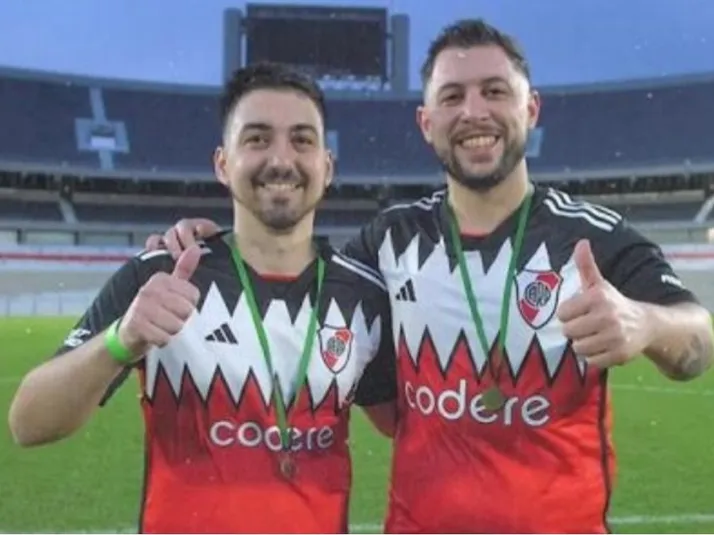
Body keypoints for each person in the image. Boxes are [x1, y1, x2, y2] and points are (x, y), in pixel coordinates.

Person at [144, 19, 713, 534]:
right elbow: (293, 271)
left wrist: (646, 323)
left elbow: (699, 342)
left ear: (531, 109)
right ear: (427, 122)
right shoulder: (388, 239)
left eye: (495, 91)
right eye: (452, 96)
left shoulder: (592, 234)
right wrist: (207, 243)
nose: (474, 112)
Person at [8, 63, 398, 534]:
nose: (281, 159)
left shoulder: (364, 296)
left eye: (302, 140)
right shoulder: (162, 273)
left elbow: (407, 424)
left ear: (327, 166)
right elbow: (27, 423)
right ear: (222, 163)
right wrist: (121, 340)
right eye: (257, 139)